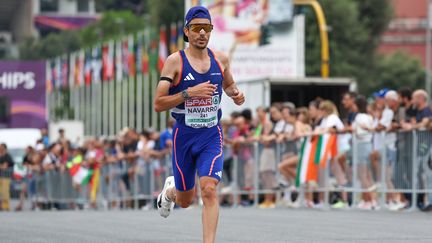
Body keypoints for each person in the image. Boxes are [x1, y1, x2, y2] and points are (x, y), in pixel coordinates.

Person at [153, 6, 245, 243]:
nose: (202, 33)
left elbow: (228, 84)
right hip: (184, 137)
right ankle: (170, 192)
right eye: (196, 28)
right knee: (185, 201)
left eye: (207, 28)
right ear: (187, 31)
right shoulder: (175, 62)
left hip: (210, 135)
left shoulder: (220, 59)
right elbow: (158, 103)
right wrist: (188, 93)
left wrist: (235, 93)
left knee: (209, 190)